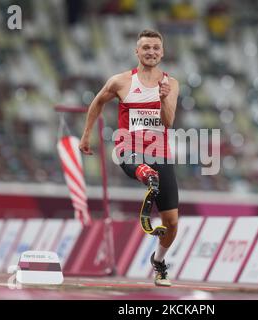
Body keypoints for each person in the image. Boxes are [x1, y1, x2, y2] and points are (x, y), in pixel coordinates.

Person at [79, 29, 179, 287]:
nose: (151, 52)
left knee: (172, 222)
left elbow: (168, 122)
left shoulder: (171, 83)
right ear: (137, 51)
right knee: (136, 161)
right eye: (146, 47)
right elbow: (98, 102)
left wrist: (164, 98)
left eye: (156, 48)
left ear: (162, 52)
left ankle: (158, 262)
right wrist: (86, 134)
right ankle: (146, 175)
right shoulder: (120, 81)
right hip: (129, 149)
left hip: (160, 153)